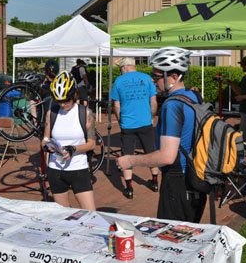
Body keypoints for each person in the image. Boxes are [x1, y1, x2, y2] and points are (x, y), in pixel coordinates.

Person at [115, 47, 202, 263]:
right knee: (187, 239)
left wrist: (130, 161)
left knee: (173, 245)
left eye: (157, 76)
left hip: (178, 181)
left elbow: (166, 155)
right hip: (195, 179)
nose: (154, 81)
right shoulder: (192, 97)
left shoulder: (172, 106)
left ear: (173, 75)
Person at [41, 71, 97, 210]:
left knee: (91, 214)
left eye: (66, 100)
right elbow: (45, 140)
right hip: (55, 170)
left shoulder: (85, 113)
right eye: (59, 101)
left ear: (74, 95)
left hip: (79, 169)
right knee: (64, 216)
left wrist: (73, 149)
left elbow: (91, 143)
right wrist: (47, 146)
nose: (63, 105)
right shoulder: (51, 113)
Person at [110, 57, 159, 199]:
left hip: (128, 124)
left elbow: (116, 105)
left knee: (127, 155)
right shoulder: (147, 78)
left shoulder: (119, 81)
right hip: (145, 122)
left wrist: (120, 120)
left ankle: (129, 188)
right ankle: (155, 182)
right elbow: (153, 101)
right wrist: (152, 116)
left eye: (121, 68)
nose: (120, 71)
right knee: (151, 152)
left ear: (125, 67)